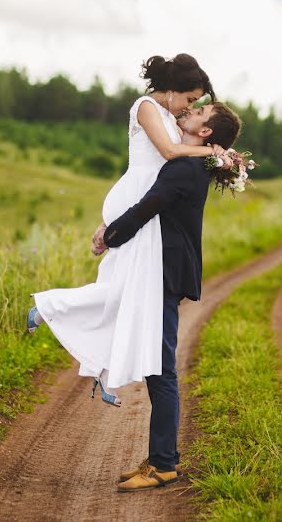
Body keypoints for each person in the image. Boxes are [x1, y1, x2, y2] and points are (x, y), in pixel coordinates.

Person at [27, 54, 226, 406]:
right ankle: (50, 307)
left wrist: (216, 153)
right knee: (123, 293)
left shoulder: (169, 115)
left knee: (122, 294)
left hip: (150, 202)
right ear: (173, 89)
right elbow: (166, 151)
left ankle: (100, 369)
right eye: (190, 99)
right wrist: (212, 153)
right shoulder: (147, 106)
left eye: (195, 104)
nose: (189, 107)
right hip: (137, 197)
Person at [94, 102, 243, 492]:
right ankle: (162, 457)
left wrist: (109, 236)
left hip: (164, 272)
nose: (190, 111)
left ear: (206, 132)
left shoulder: (183, 167)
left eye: (199, 111)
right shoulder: (197, 163)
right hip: (164, 270)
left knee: (162, 368)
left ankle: (163, 464)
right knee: (156, 364)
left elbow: (147, 208)